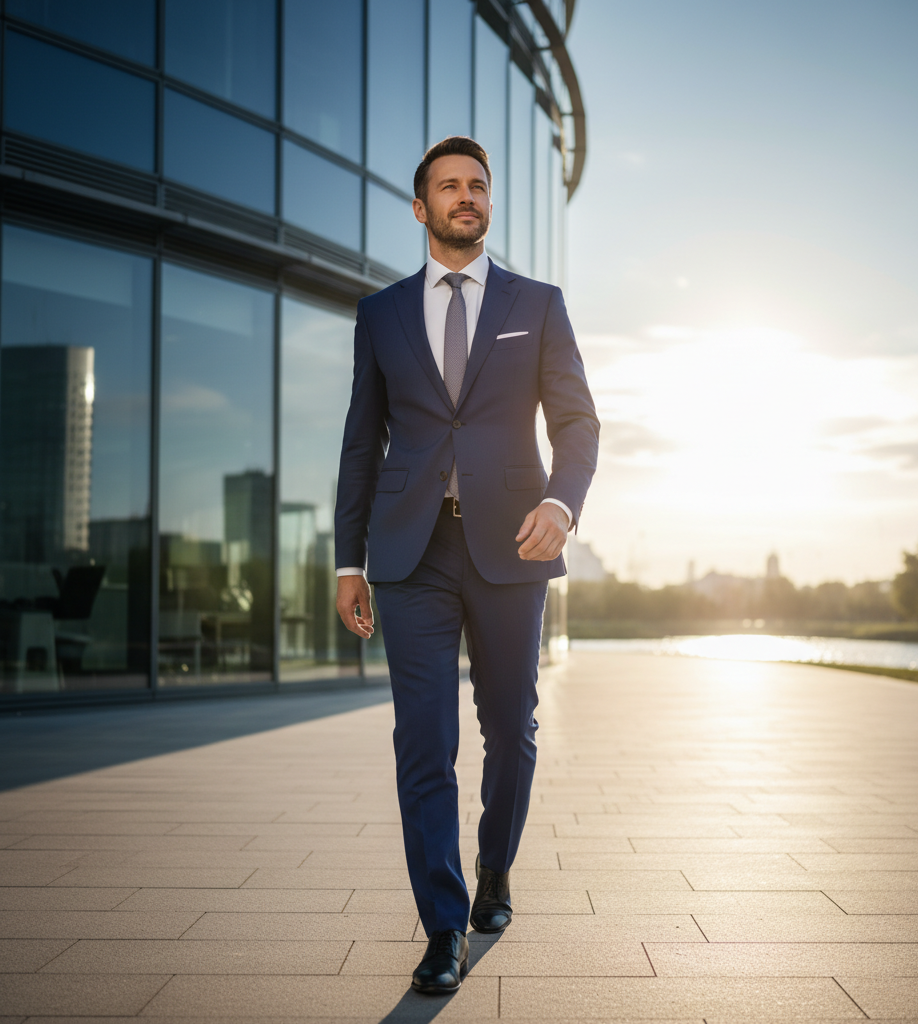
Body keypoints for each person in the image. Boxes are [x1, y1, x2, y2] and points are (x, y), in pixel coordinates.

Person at [334, 136, 599, 994]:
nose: (466, 196)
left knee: (511, 733)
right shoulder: (381, 315)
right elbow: (360, 446)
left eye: (477, 185)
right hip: (410, 550)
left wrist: (561, 505)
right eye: (449, 186)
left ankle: (494, 867)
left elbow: (578, 424)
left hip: (513, 543)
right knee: (424, 741)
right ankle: (443, 925)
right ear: (422, 208)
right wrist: (347, 560)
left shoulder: (539, 303)